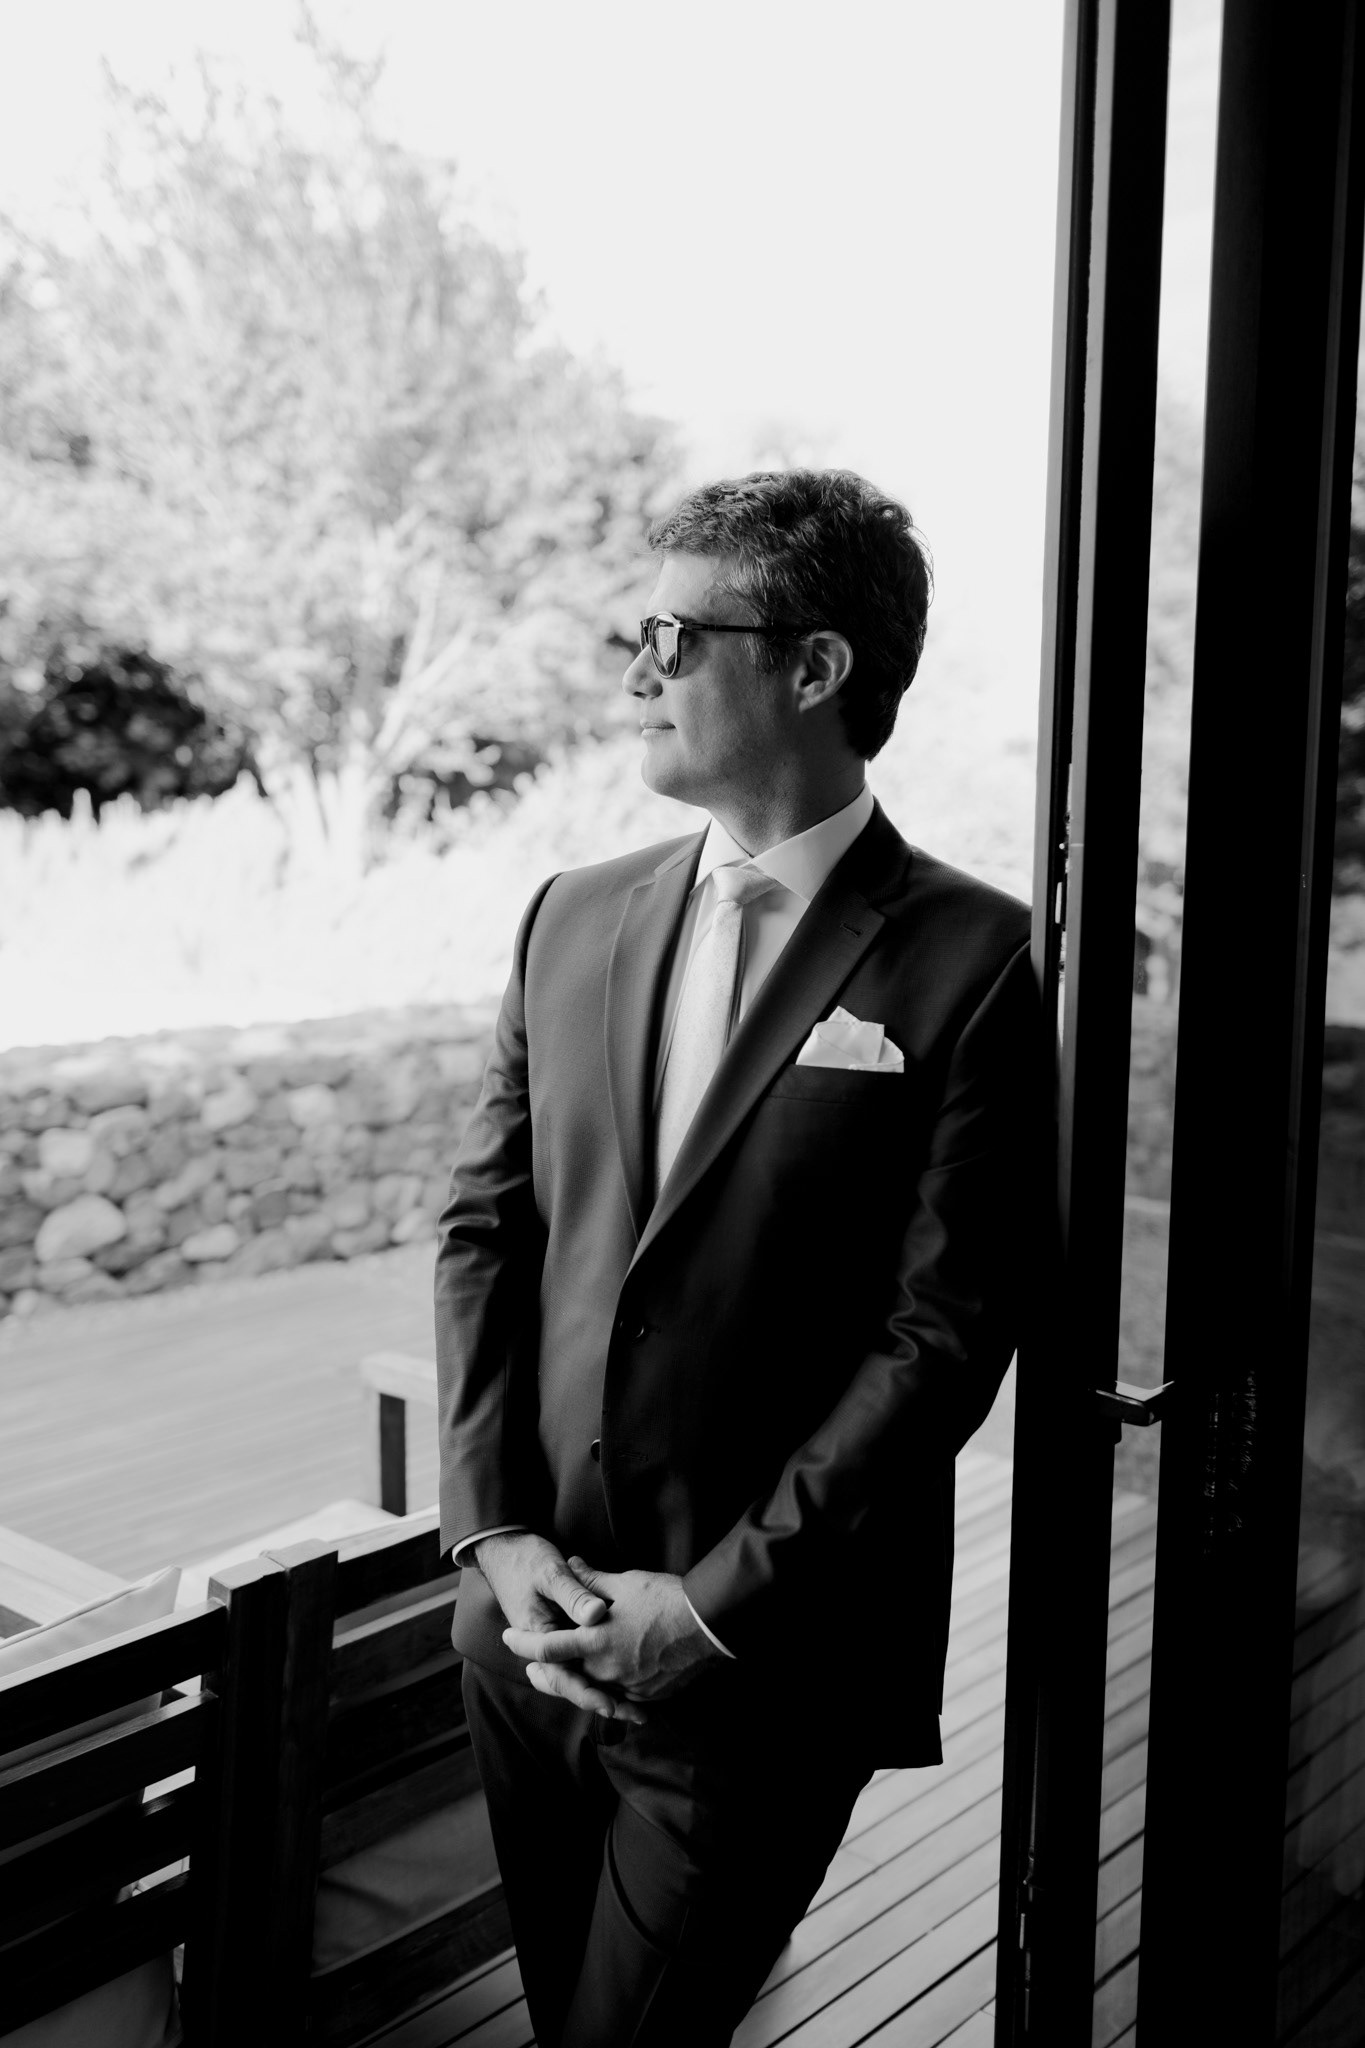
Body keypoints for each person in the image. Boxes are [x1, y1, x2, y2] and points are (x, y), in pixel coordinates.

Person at [435, 468, 1044, 2046]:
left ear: (813, 666)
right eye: (636, 637)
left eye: (674, 636)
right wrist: (494, 1538)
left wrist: (707, 1612)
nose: (635, 671)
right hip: (526, 1630)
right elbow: (485, 1230)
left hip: (761, 1665)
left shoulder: (974, 958)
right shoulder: (567, 916)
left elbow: (941, 1336)